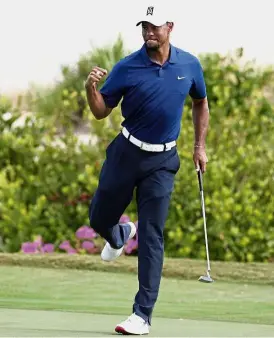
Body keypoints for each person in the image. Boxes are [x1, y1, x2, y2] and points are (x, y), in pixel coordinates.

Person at [84, 4, 209, 335]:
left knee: (153, 234)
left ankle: (141, 315)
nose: (149, 32)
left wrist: (199, 146)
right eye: (144, 27)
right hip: (126, 153)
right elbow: (100, 112)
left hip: (163, 162)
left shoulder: (190, 65)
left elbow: (200, 102)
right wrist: (90, 90)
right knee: (98, 217)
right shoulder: (127, 66)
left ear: (170, 26)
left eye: (154, 27)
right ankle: (119, 233)